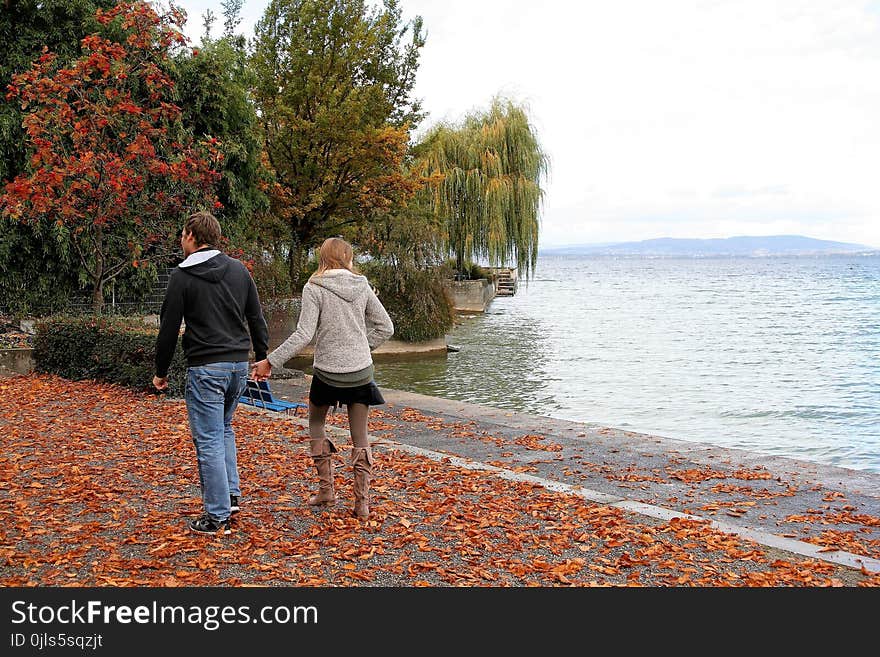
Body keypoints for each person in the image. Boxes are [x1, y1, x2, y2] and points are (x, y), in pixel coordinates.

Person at [251, 237, 394, 519]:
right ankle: (361, 504)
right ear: (347, 258)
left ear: (323, 257)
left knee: (316, 422)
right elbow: (385, 327)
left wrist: (270, 361)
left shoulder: (314, 287)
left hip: (327, 373)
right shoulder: (362, 285)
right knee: (360, 436)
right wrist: (364, 347)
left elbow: (303, 335)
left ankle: (326, 490)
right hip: (359, 371)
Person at [153, 211, 269, 535]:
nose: (180, 239)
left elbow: (168, 329)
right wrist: (262, 357)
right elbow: (256, 317)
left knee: (208, 440)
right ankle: (230, 497)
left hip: (206, 368)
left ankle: (216, 517)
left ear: (192, 236)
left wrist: (160, 372)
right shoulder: (239, 271)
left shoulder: (182, 276)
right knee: (224, 430)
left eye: (182, 234)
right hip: (237, 367)